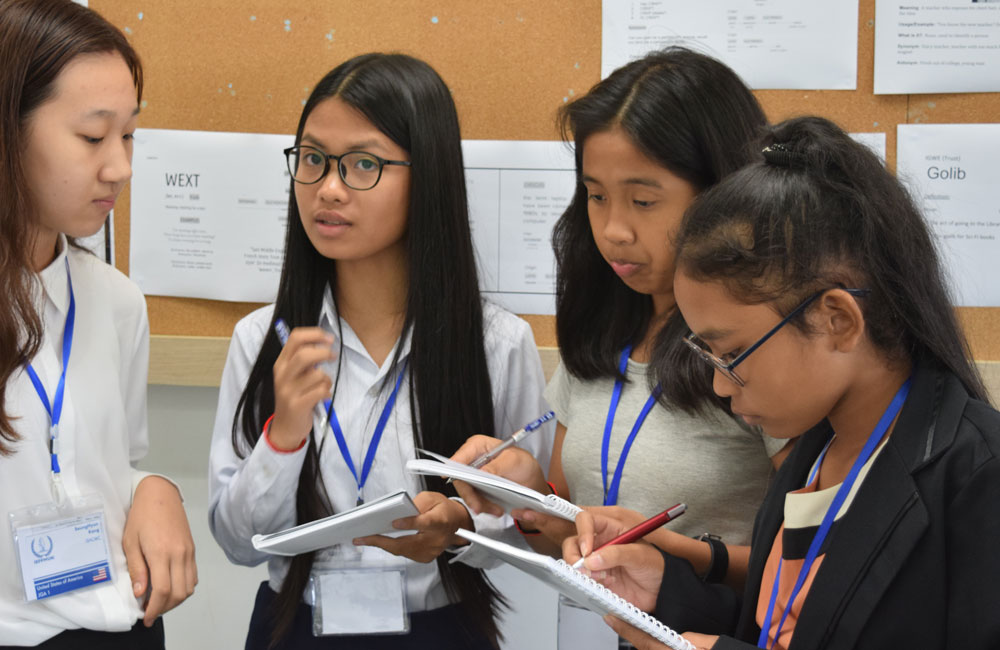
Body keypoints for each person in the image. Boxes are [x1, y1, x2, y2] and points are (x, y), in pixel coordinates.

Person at [565, 116, 1000, 650]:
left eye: (731, 353)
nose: (722, 387)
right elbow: (789, 624)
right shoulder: (816, 450)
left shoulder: (976, 473)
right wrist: (669, 592)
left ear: (837, 320)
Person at [207, 53, 553, 650]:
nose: (329, 188)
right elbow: (238, 544)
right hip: (294, 629)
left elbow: (529, 532)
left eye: (363, 163)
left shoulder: (497, 344)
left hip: (441, 631)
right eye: (312, 160)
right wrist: (283, 435)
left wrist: (461, 526)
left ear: (430, 176)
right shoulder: (264, 340)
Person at [453, 48, 787, 584]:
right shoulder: (604, 329)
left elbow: (813, 567)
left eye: (643, 201)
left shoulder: (757, 346)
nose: (613, 230)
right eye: (596, 196)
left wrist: (674, 553)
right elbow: (569, 534)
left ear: (722, 194)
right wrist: (530, 495)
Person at [0, 1, 197, 647]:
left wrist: (155, 489)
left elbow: (108, 465)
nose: (120, 167)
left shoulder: (114, 300)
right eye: (92, 136)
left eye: (130, 134)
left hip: (122, 624)